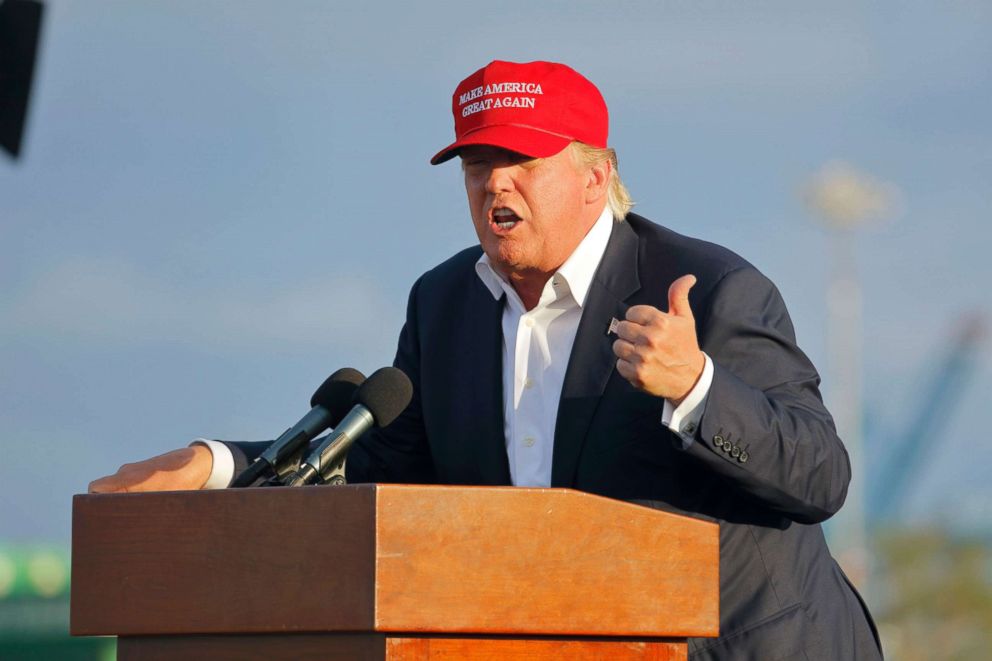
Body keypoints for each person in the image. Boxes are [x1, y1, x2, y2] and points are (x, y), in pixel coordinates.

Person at [90, 60, 883, 660]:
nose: (494, 183)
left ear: (596, 177)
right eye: (476, 165)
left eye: (522, 161)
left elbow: (820, 476)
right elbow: (379, 469)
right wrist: (222, 464)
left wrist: (699, 389)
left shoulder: (711, 290)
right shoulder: (445, 305)